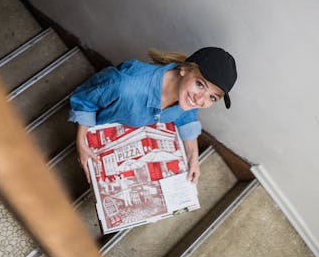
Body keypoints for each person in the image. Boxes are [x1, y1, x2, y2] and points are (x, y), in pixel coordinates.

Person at [69, 47, 237, 185]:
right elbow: (84, 101)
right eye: (200, 84)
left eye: (212, 97)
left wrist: (193, 157)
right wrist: (81, 142)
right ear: (185, 69)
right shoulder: (124, 85)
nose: (200, 100)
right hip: (99, 134)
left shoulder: (187, 99)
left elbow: (187, 118)